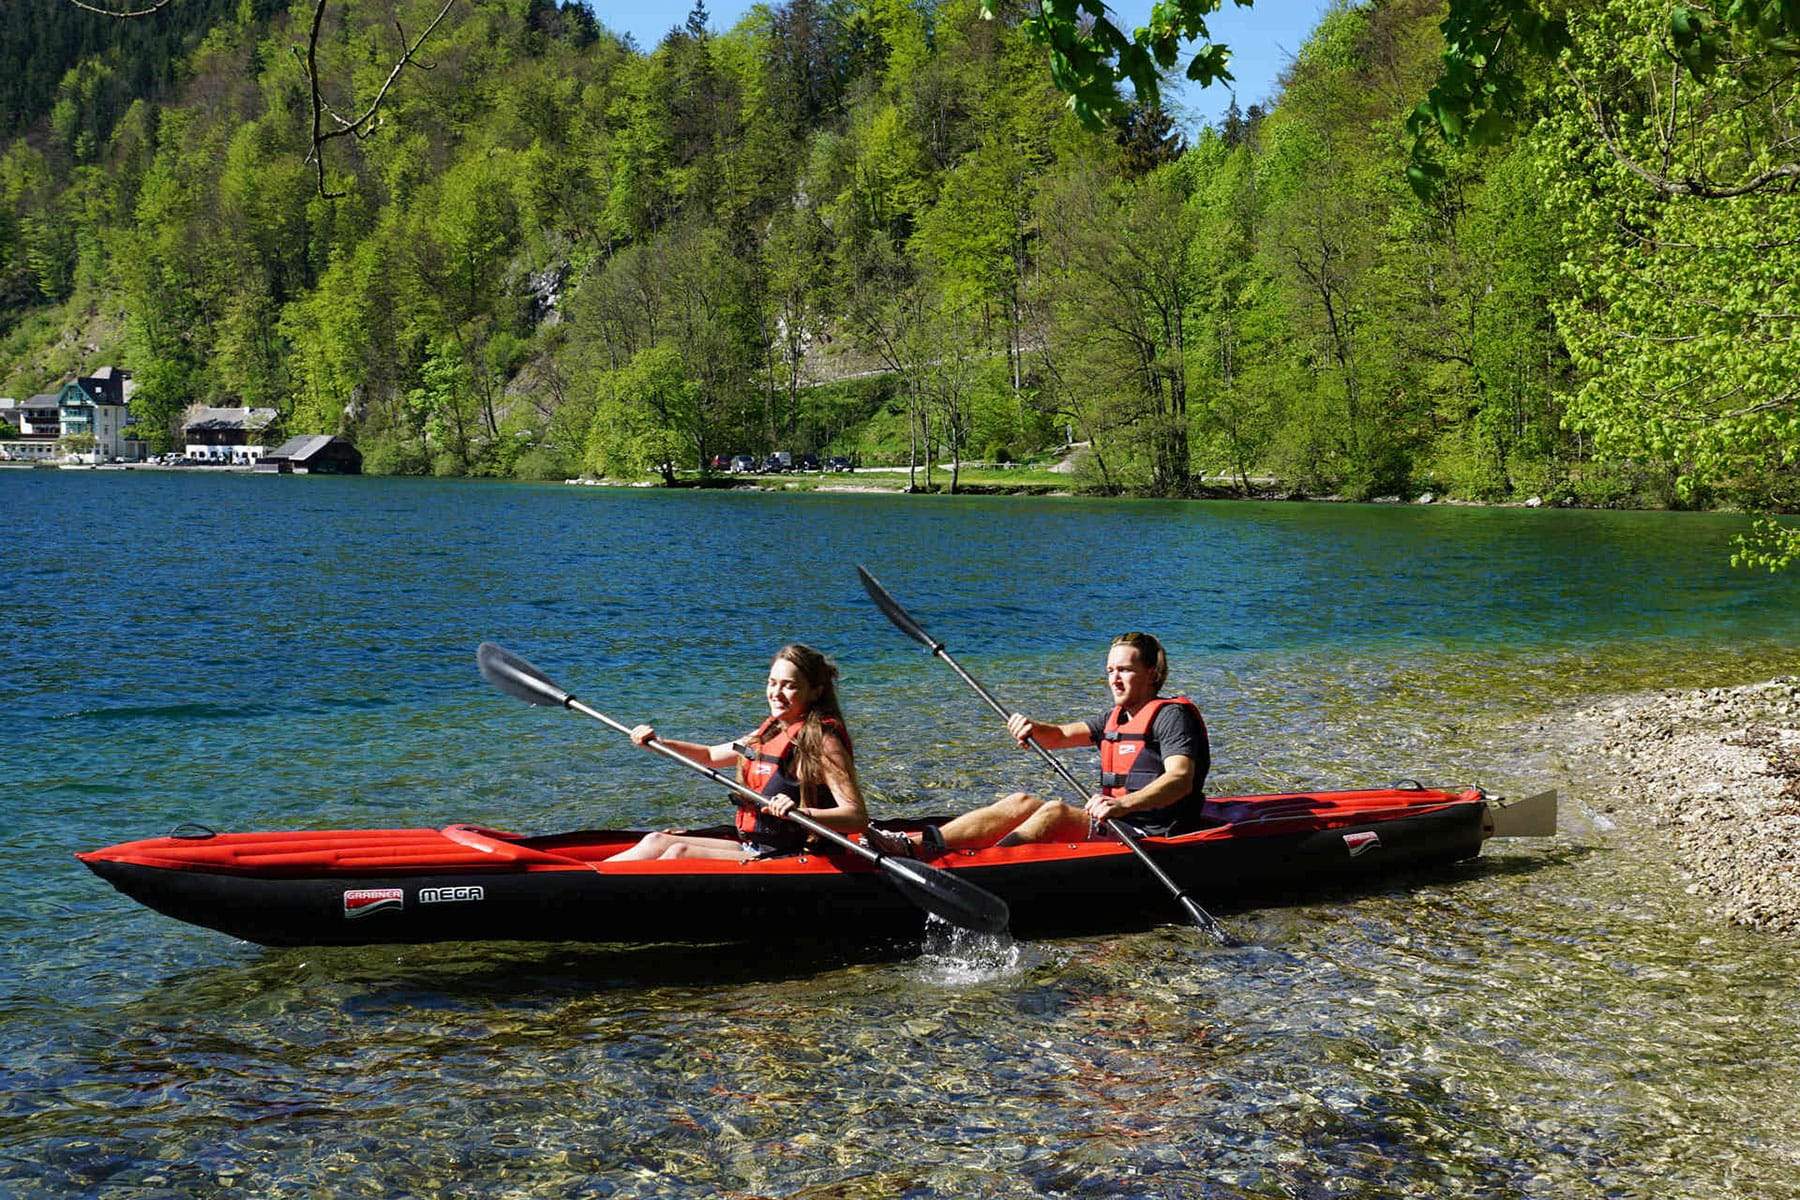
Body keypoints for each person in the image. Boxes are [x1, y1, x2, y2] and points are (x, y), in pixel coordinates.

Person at [874, 632, 1209, 855]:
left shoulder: (1171, 717)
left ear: (1152, 672)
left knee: (1056, 813)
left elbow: (1180, 779)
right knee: (1021, 801)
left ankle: (984, 865)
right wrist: (1032, 727)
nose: (1114, 679)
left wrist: (1123, 805)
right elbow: (1060, 735)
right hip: (1119, 822)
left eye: (1125, 670)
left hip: (1152, 835)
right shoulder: (1115, 717)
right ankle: (914, 845)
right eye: (1110, 670)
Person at [606, 644, 869, 861]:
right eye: (772, 683)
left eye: (789, 685)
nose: (776, 693)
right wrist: (658, 742)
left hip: (796, 854)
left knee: (679, 853)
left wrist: (803, 812)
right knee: (656, 840)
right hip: (757, 847)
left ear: (815, 691)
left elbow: (856, 817)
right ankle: (582, 877)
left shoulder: (823, 742)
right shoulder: (768, 733)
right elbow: (710, 755)